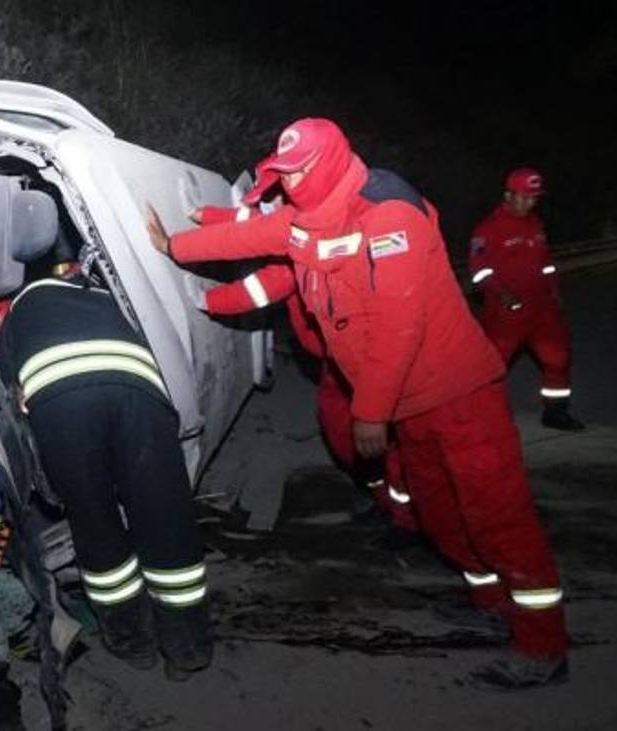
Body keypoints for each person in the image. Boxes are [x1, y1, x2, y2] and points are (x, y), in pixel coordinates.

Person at [144, 118, 568, 689]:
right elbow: (252, 236)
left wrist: (370, 410)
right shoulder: (307, 220)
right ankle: (492, 602)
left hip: (459, 395)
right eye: (282, 174)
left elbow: (399, 325)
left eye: (296, 173)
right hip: (410, 407)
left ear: (324, 167)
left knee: (497, 516)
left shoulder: (389, 214)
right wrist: (174, 245)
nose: (288, 185)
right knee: (439, 514)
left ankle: (543, 647)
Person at [0, 265, 212, 681]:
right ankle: (188, 649)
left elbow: (19, 407)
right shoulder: (96, 290)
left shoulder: (14, 321)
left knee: (96, 525)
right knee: (165, 517)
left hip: (64, 406)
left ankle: (132, 642)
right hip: (137, 389)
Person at [189, 206, 416, 534]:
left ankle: (406, 516)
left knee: (370, 436)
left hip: (359, 360)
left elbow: (264, 286)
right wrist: (206, 214)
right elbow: (251, 222)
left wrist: (201, 297)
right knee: (346, 432)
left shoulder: (301, 241)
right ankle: (387, 499)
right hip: (337, 360)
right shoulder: (296, 214)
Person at [469, 168, 583, 431]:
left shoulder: (535, 224)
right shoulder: (489, 229)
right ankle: (481, 417)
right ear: (508, 195)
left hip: (542, 310)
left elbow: (546, 264)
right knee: (492, 367)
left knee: (558, 359)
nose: (531, 203)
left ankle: (555, 413)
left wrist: (555, 293)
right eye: (525, 197)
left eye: (535, 198)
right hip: (506, 313)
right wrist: (502, 295)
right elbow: (479, 270)